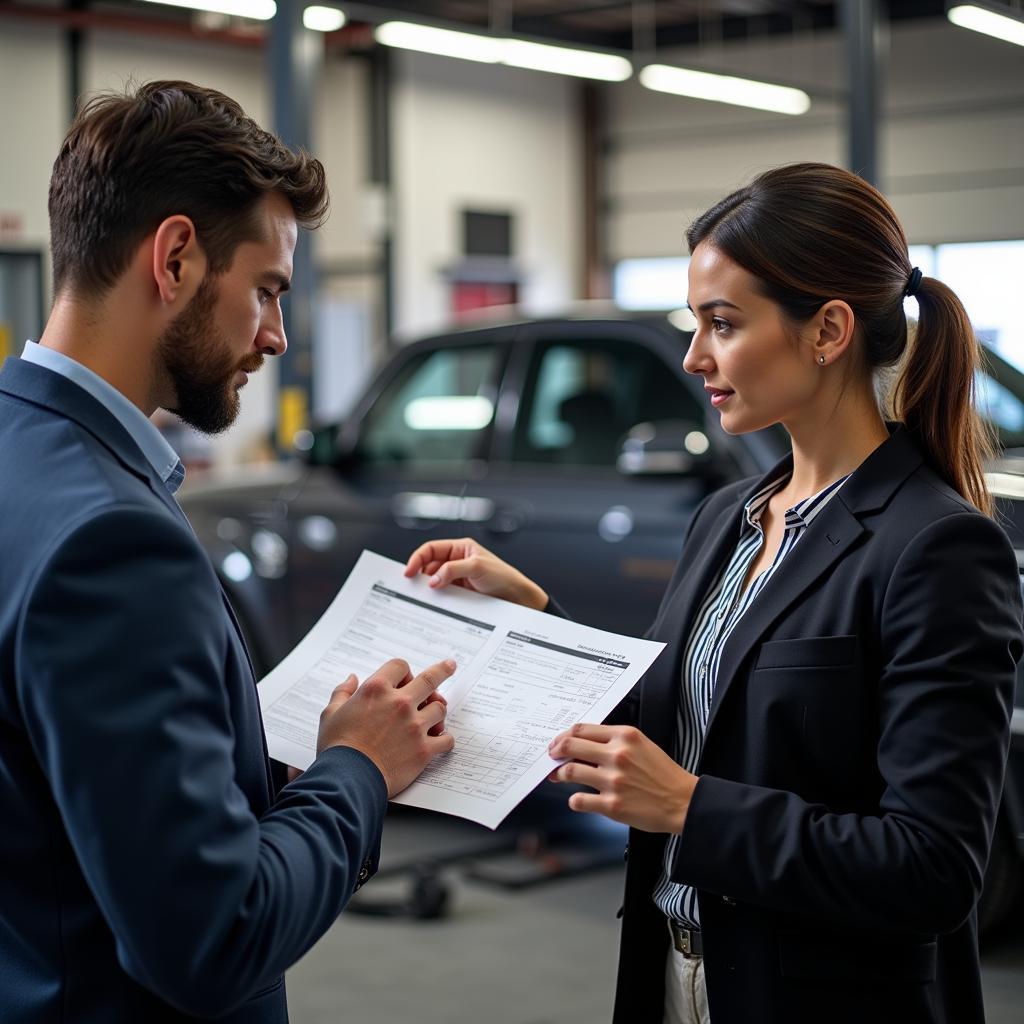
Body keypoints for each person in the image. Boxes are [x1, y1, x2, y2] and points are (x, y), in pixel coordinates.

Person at [404, 163, 1024, 1024]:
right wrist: (532, 616)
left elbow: (932, 868)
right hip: (679, 971)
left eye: (723, 325)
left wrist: (690, 808)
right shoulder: (730, 515)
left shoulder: (938, 548)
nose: (696, 357)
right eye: (695, 325)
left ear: (828, 330)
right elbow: (683, 718)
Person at [0, 80, 455, 1024]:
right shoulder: (114, 542)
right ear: (173, 258)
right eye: (267, 290)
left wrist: (249, 768)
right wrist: (357, 771)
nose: (277, 335)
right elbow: (214, 938)